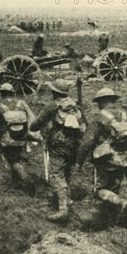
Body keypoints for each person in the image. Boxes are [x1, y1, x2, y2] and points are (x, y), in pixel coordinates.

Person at [77, 88, 127, 223]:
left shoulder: (100, 118)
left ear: (102, 101)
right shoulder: (124, 115)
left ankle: (123, 203)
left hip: (106, 159)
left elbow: (87, 142)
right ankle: (111, 218)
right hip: (125, 158)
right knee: (113, 187)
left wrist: (79, 162)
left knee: (99, 191)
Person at [30, 84, 85, 222]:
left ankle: (62, 210)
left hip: (59, 144)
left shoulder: (52, 106)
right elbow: (84, 124)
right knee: (66, 171)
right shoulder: (75, 105)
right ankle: (67, 200)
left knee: (56, 174)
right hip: (75, 144)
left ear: (54, 92)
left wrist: (35, 127)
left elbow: (36, 124)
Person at [0, 83, 32, 190]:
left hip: (8, 137)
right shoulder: (21, 103)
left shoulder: (0, 105)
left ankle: (24, 176)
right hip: (21, 136)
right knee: (16, 157)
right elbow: (29, 118)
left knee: (11, 160)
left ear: (2, 93)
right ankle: (15, 183)